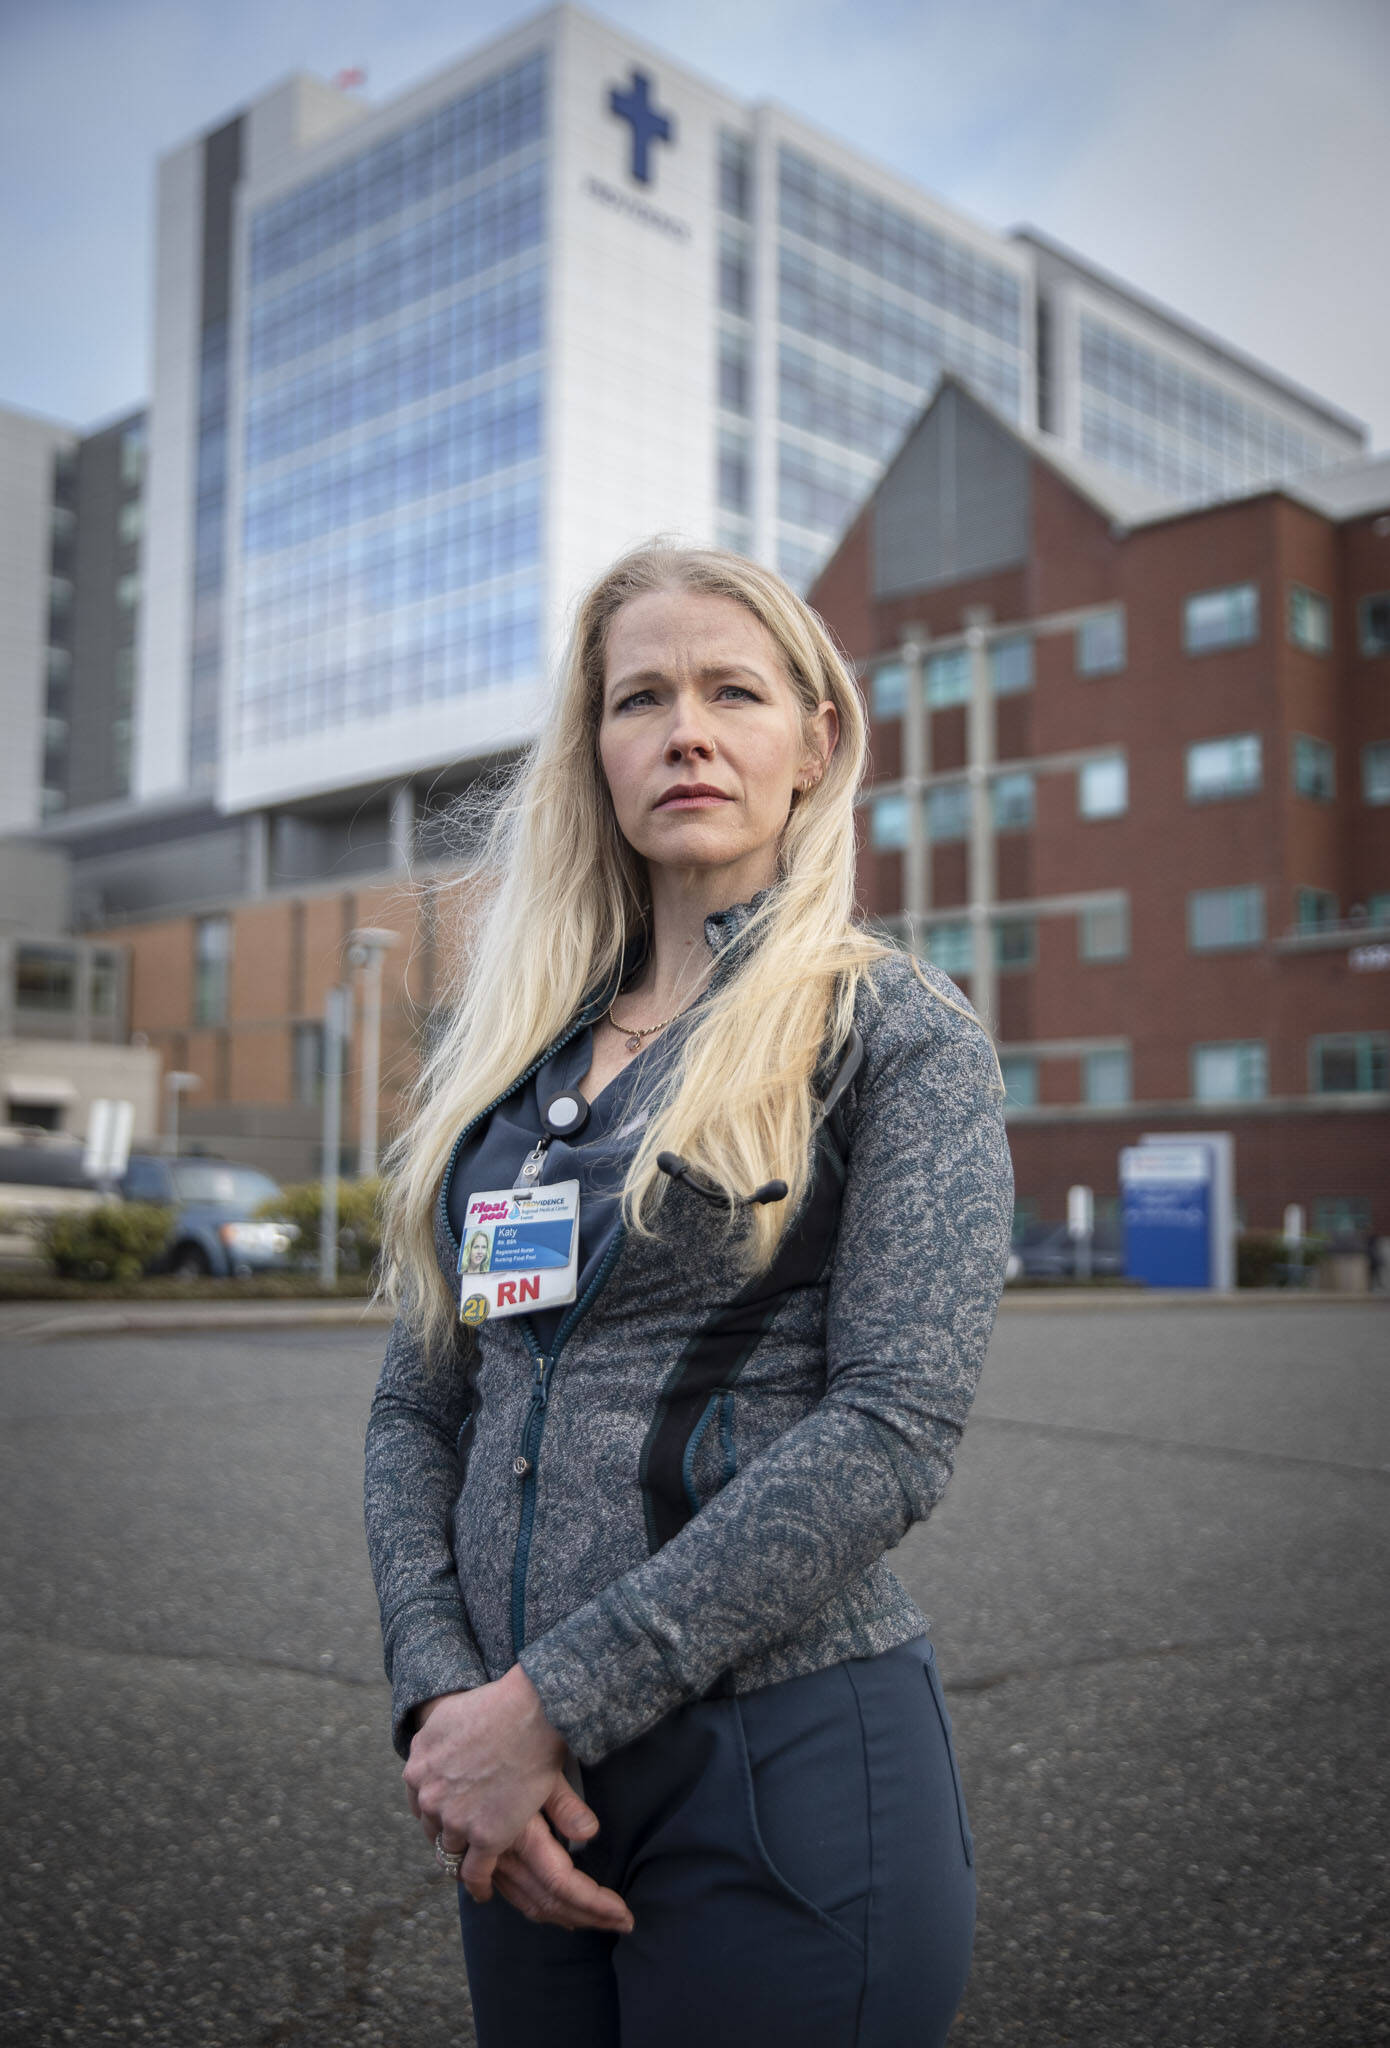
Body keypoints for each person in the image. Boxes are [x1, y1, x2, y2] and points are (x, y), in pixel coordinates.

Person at [364, 543, 1014, 2048]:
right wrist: (444, 1707)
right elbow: (418, 1402)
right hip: (519, 1793)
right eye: (638, 698)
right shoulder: (509, 1062)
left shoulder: (891, 1034)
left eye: (733, 691)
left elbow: (894, 1429)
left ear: (815, 741)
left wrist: (548, 1703)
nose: (686, 731)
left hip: (781, 1766)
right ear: (593, 753)